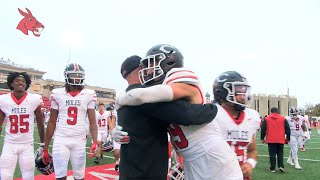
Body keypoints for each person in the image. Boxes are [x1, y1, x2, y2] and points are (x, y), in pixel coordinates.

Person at [116, 45, 242, 180]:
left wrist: (120, 100)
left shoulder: (178, 77)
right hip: (191, 162)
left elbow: (140, 96)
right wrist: (120, 129)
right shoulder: (158, 94)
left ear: (168, 63)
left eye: (151, 64)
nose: (147, 71)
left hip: (215, 160)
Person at [43, 63, 98, 180]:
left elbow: (92, 121)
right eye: (74, 75)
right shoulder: (57, 93)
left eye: (79, 76)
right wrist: (45, 147)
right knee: (60, 175)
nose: (77, 78)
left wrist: (94, 141)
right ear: (67, 76)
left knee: (79, 176)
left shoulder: (89, 94)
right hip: (61, 139)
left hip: (79, 140)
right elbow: (52, 122)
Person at [212, 71, 260, 179]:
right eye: (239, 92)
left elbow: (252, 150)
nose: (244, 97)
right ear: (222, 92)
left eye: (245, 92)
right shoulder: (212, 115)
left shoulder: (251, 117)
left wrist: (249, 164)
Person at [0, 72, 46, 179]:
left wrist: (43, 144)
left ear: (27, 84)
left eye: (23, 81)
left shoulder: (34, 99)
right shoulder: (3, 100)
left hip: (27, 144)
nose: (20, 82)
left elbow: (40, 122)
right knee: (5, 175)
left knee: (28, 175)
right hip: (9, 144)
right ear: (11, 84)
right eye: (17, 80)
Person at [260, 107, 291, 173]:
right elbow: (288, 129)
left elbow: (263, 129)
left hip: (271, 139)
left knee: (272, 154)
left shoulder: (267, 119)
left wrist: (262, 138)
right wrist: (288, 138)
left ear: (270, 112)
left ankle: (272, 168)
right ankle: (281, 166)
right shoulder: (283, 119)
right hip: (280, 139)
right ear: (277, 111)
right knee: (280, 153)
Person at [106, 106, 121, 171]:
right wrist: (110, 134)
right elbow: (112, 123)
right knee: (116, 152)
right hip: (117, 132)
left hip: (127, 133)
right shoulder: (115, 112)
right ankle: (117, 162)